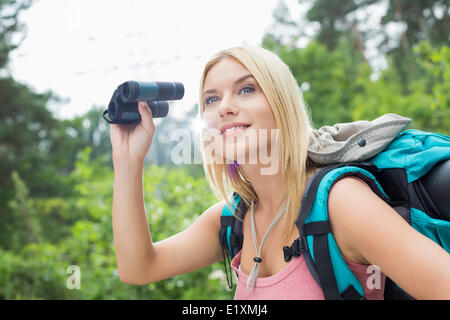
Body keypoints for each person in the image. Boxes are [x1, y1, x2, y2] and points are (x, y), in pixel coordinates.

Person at [109, 46, 450, 300]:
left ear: (282, 104)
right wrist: (127, 161)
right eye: (211, 99)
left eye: (246, 89)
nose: (224, 106)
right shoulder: (232, 220)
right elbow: (139, 268)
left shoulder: (341, 204)